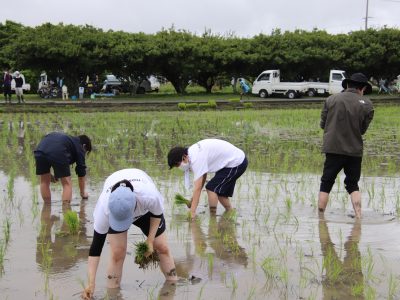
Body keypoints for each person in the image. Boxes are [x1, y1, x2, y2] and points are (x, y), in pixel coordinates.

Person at [82, 168, 178, 299]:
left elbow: (157, 214)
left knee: (161, 247)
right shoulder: (103, 208)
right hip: (117, 204)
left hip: (144, 211)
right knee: (117, 253)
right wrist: (91, 283)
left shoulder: (148, 195)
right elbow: (95, 248)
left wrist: (149, 241)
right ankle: (113, 295)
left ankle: (172, 287)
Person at [319, 73, 374, 218]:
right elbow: (362, 130)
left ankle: (320, 217)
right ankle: (359, 216)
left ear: (348, 85)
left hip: (333, 148)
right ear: (362, 88)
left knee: (326, 182)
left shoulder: (331, 99)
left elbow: (323, 124)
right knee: (352, 184)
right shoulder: (368, 105)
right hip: (354, 151)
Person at [167, 138, 248, 219]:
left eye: (177, 165)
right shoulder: (192, 153)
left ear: (184, 157)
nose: (178, 167)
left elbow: (197, 188)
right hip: (231, 161)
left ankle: (213, 217)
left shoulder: (196, 159)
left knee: (212, 189)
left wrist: (192, 212)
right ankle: (230, 212)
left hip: (236, 162)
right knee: (220, 192)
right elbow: (203, 176)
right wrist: (192, 201)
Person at [34, 132, 92, 202]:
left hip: (40, 150)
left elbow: (47, 153)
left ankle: (47, 207)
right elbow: (81, 174)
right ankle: (66, 209)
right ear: (84, 146)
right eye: (85, 152)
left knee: (44, 182)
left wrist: (49, 174)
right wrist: (83, 193)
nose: (84, 154)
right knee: (67, 184)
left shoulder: (68, 140)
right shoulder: (79, 147)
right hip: (58, 152)